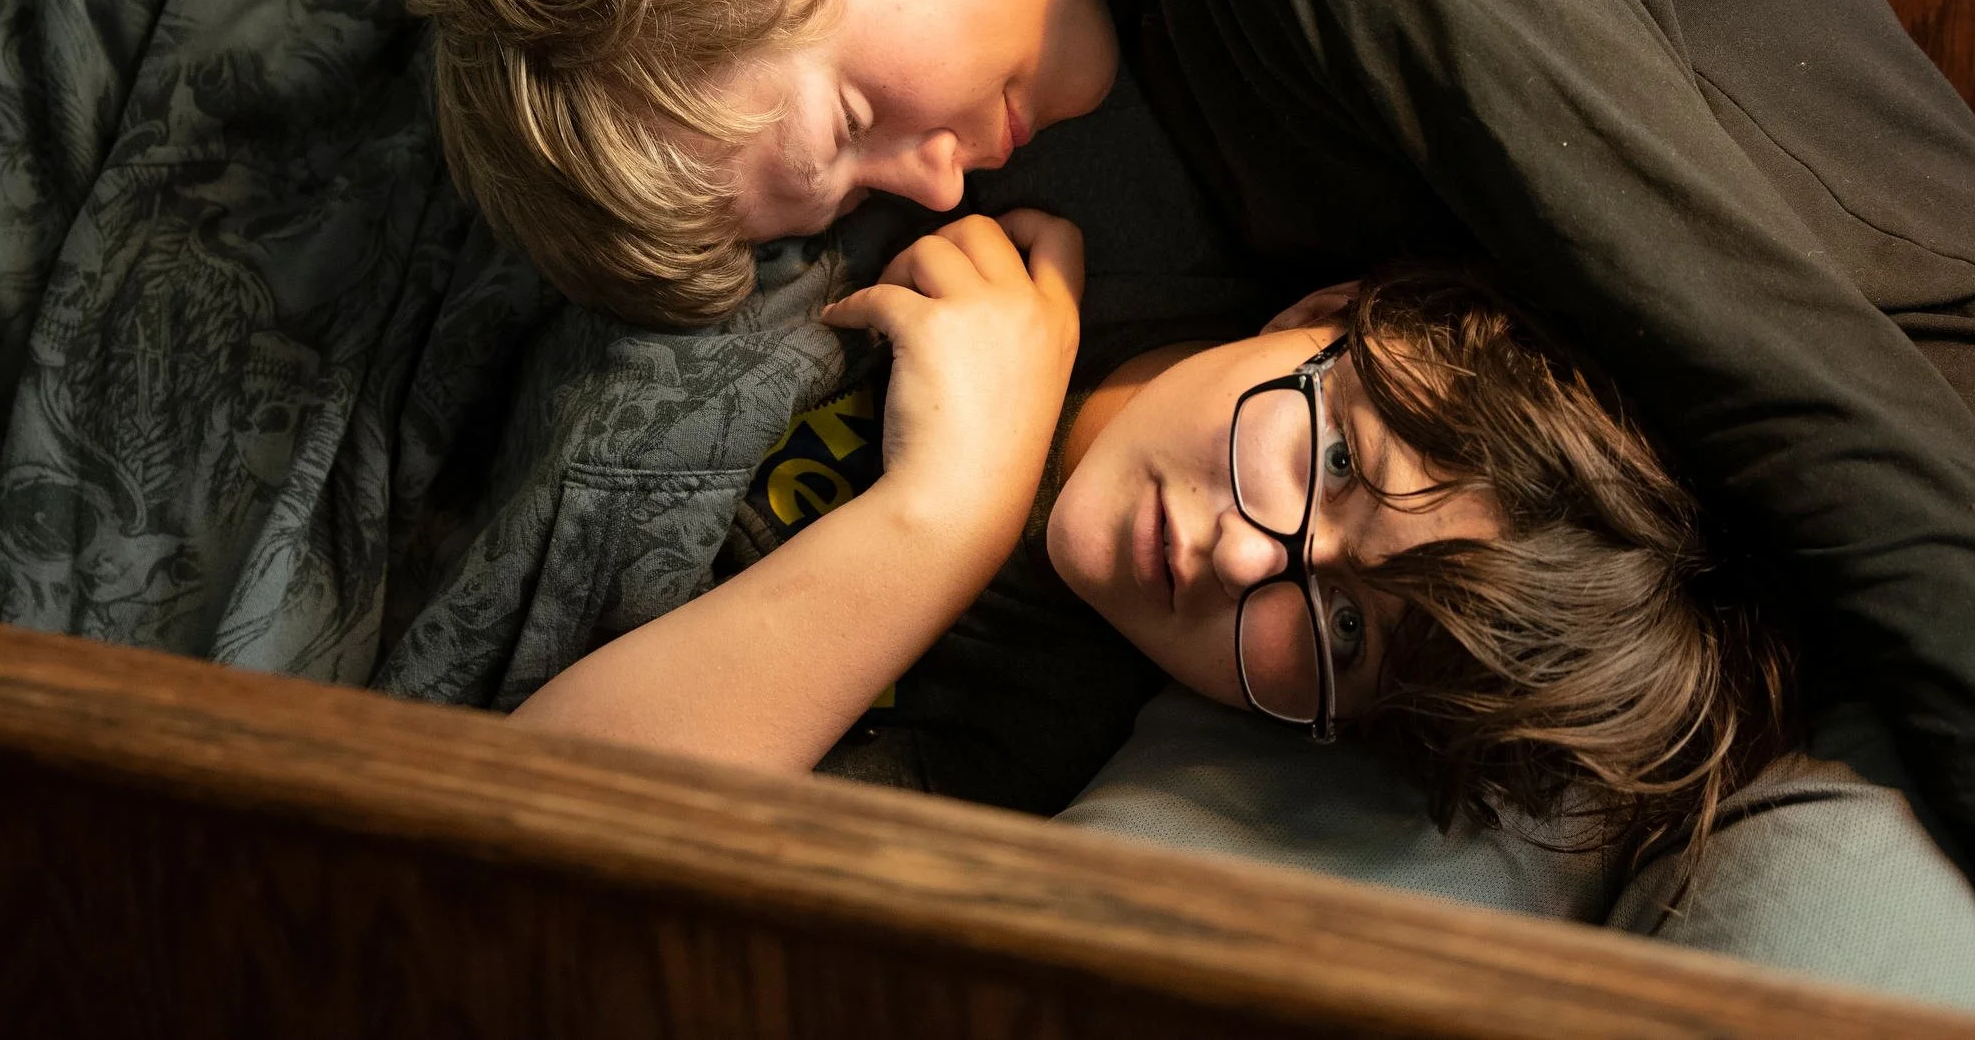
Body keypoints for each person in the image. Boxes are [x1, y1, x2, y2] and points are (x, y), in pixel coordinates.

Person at [374, 0, 1975, 1030]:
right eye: (852, 172)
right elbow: (551, 835)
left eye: (859, 117)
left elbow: (1829, 413)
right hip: (1447, 648)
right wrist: (948, 517)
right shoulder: (1064, 101)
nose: (922, 179)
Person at [512, 210, 1795, 874]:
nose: (1246, 560)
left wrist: (945, 513)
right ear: (1328, 313)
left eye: (1344, 630)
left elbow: (528, 830)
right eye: (1332, 463)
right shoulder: (1096, 204)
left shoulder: (1020, 737)